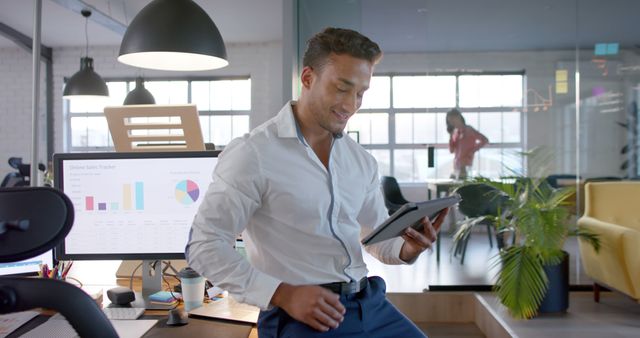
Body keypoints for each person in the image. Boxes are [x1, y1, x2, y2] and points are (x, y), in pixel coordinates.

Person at [186, 27, 447, 338]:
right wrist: (281, 294)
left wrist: (408, 248)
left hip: (370, 304)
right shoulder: (253, 153)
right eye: (342, 88)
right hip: (303, 315)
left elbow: (376, 238)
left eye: (361, 93)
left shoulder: (359, 161)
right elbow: (204, 245)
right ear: (307, 78)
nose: (351, 105)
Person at [446, 109, 488, 180]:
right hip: (456, 164)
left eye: (452, 120)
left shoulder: (469, 130)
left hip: (465, 163)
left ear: (458, 117)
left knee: (462, 185)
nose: (452, 123)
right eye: (450, 121)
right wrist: (450, 136)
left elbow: (485, 140)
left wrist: (472, 151)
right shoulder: (455, 132)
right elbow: (451, 150)